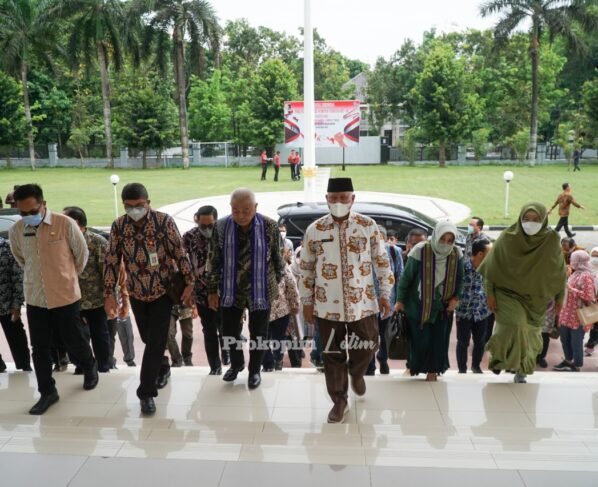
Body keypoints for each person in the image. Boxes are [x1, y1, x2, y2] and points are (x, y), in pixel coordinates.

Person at [299, 177, 393, 423]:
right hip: (327, 305)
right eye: (334, 198)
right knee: (332, 353)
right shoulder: (315, 230)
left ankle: (356, 373)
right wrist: (306, 302)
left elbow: (382, 262)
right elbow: (306, 269)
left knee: (369, 344)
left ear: (353, 199)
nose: (339, 202)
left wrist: (385, 294)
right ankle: (339, 401)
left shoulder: (367, 225)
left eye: (344, 197)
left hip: (363, 303)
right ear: (327, 199)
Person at [104, 182, 194, 415]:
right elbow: (112, 260)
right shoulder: (119, 226)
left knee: (155, 341)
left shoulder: (164, 222)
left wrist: (190, 282)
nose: (135, 210)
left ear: (148, 203)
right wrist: (109, 294)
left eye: (139, 205)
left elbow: (180, 253)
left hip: (162, 292)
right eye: (129, 206)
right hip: (136, 291)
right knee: (148, 338)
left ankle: (146, 392)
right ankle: (163, 367)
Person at [9, 184, 98, 415]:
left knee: (73, 339)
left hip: (65, 295)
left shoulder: (65, 224)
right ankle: (47, 391)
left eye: (32, 211)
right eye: (23, 213)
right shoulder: (17, 230)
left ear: (43, 204)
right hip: (36, 298)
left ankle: (89, 366)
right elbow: (21, 259)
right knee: (39, 347)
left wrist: (66, 277)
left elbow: (81, 255)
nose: (28, 216)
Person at [478, 202, 566, 383]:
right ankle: (499, 358)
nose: (530, 223)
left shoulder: (551, 239)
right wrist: (490, 293)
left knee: (531, 334)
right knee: (514, 325)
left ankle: (522, 371)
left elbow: (558, 269)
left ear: (544, 220)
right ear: (520, 218)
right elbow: (493, 268)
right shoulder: (508, 237)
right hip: (507, 293)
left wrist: (560, 297)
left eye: (535, 219)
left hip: (536, 297)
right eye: (526, 218)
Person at [207, 188, 285, 390]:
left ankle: (254, 371)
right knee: (229, 331)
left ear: (255, 207)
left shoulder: (270, 226)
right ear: (230, 208)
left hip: (261, 290)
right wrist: (212, 290)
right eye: (236, 210)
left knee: (259, 333)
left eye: (246, 210)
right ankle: (236, 364)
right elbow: (213, 260)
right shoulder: (221, 226)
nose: (241, 215)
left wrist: (273, 284)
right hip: (230, 289)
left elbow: (278, 260)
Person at [396, 221, 464, 382]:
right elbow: (406, 279)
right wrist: (400, 300)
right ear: (435, 236)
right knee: (421, 340)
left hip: (443, 307)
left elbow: (461, 279)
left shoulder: (456, 253)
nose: (445, 244)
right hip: (418, 306)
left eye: (449, 241)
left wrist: (456, 298)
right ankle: (415, 366)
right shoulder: (420, 250)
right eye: (442, 239)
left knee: (439, 341)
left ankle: (433, 372)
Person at [63, 207, 111, 373]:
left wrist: (110, 296)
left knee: (99, 334)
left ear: (76, 222)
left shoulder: (97, 242)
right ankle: (84, 365)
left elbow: (107, 272)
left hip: (95, 298)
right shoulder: (63, 242)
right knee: (76, 335)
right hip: (70, 298)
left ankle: (103, 366)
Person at [183, 205, 229, 375]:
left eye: (210, 225)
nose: (207, 229)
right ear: (197, 221)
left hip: (224, 293)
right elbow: (183, 263)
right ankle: (214, 366)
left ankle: (227, 353)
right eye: (203, 226)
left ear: (216, 220)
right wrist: (189, 285)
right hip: (202, 294)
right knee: (209, 330)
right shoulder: (189, 237)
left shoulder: (225, 235)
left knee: (226, 328)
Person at [367, 225, 403, 375]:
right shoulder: (363, 252)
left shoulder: (394, 251)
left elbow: (400, 275)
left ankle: (383, 358)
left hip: (388, 301)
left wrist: (399, 301)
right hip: (368, 303)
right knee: (369, 334)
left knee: (385, 334)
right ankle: (370, 364)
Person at [553, 250, 595, 372]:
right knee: (564, 339)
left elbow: (588, 296)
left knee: (576, 342)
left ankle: (576, 365)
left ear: (579, 261)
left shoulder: (586, 276)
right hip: (567, 313)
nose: (571, 261)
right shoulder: (575, 273)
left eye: (573, 259)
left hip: (577, 316)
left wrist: (571, 290)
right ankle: (568, 361)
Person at [455, 238, 492, 374]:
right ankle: (462, 369)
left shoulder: (489, 269)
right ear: (480, 254)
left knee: (480, 341)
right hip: (464, 312)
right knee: (463, 342)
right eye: (490, 252)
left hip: (482, 312)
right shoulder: (462, 267)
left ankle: (476, 366)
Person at [0, 235, 31, 372]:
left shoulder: (6, 247)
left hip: (7, 303)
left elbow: (17, 276)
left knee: (16, 335)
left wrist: (17, 303)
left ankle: (24, 364)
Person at [262, 258, 300, 372]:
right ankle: (276, 360)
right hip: (280, 310)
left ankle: (269, 363)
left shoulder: (257, 265)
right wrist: (294, 303)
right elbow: (291, 283)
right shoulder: (281, 264)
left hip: (265, 310)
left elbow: (291, 283)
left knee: (263, 338)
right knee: (279, 338)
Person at [106, 263, 136, 368]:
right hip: (107, 304)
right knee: (109, 334)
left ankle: (130, 360)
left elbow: (124, 284)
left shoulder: (120, 263)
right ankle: (109, 360)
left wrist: (126, 302)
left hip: (120, 302)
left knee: (127, 334)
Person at [585, 247, 598, 356]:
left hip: (596, 301)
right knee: (588, 323)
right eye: (593, 255)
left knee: (596, 325)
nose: (595, 259)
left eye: (597, 256)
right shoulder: (586, 268)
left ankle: (591, 345)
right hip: (587, 300)